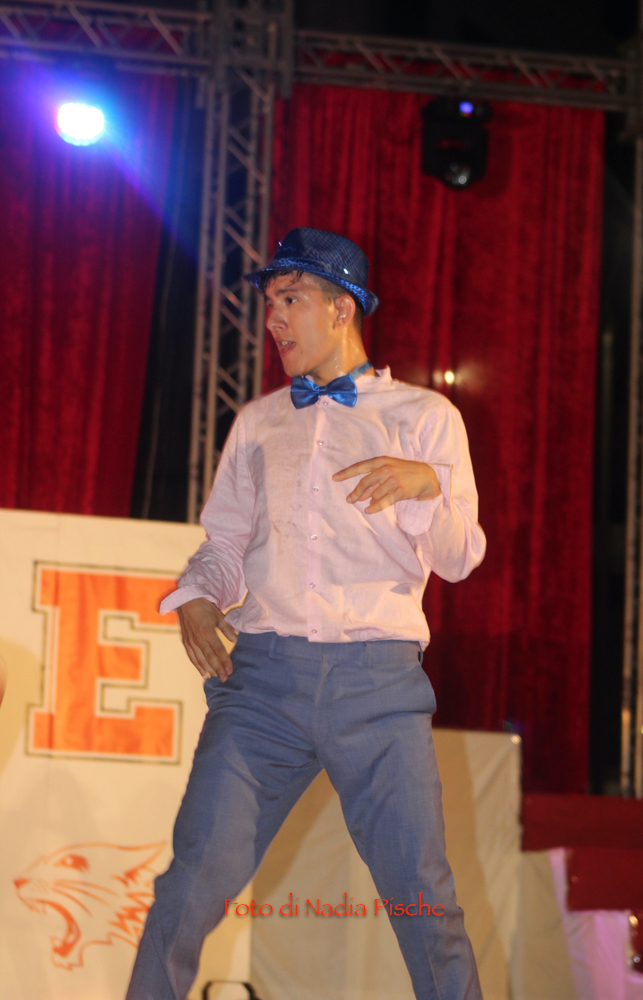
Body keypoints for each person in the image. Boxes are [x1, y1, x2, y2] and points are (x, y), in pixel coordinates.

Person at [126, 228, 487, 1000]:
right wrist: (197, 598)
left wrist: (425, 487)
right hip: (261, 684)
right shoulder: (259, 423)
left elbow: (460, 556)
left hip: (377, 685)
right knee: (188, 885)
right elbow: (224, 544)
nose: (273, 320)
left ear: (342, 307)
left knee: (425, 903)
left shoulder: (424, 416)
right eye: (268, 304)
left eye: (289, 299)